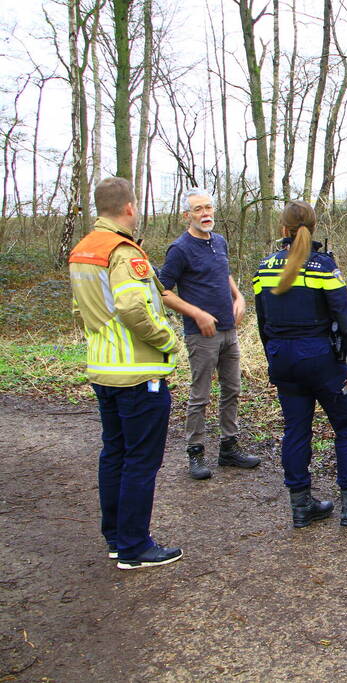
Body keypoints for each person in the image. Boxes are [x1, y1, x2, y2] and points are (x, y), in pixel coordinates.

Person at [69, 177, 183, 570]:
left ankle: (117, 538)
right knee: (141, 461)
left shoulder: (84, 250)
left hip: (104, 369)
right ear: (130, 207)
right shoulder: (122, 251)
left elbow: (82, 310)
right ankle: (135, 547)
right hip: (137, 372)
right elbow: (133, 308)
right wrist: (167, 338)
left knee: (115, 454)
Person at [253, 200, 347, 528]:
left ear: (283, 230)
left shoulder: (264, 268)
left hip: (284, 360)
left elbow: (263, 321)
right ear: (313, 228)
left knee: (296, 429)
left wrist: (273, 362)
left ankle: (301, 505)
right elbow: (344, 317)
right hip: (321, 359)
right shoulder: (323, 267)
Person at [158, 188, 260, 480]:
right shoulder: (179, 249)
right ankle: (196, 452)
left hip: (229, 331)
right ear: (186, 215)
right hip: (201, 335)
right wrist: (197, 314)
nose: (205, 214)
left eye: (208, 207)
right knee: (200, 395)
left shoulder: (219, 242)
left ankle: (228, 448)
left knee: (232, 390)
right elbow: (163, 291)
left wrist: (238, 297)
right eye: (198, 209)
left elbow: (223, 272)